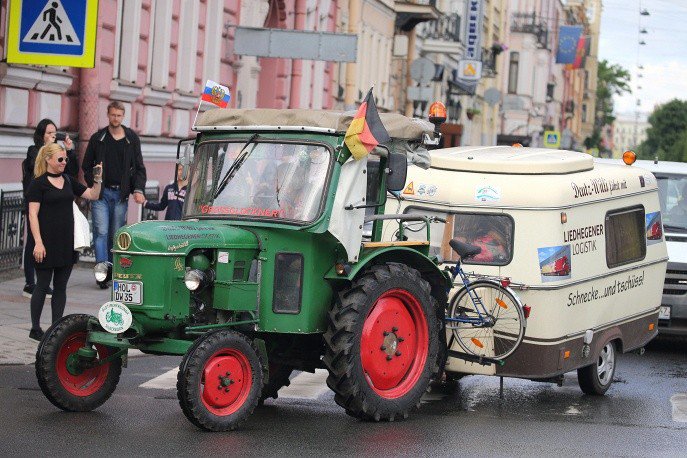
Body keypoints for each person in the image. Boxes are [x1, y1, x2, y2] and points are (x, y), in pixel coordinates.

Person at [26, 143, 103, 341]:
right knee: (42, 285)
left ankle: (55, 330)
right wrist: (38, 242)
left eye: (65, 159)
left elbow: (93, 195)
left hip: (66, 243)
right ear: (48, 160)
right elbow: (32, 214)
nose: (64, 162)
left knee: (61, 287)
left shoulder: (69, 180)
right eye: (60, 159)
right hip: (45, 243)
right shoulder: (38, 184)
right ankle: (35, 329)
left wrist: (98, 178)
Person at [82, 101, 146, 288]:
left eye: (119, 115)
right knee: (101, 233)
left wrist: (138, 189)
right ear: (108, 115)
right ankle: (102, 274)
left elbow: (139, 167)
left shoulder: (131, 139)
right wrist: (93, 185)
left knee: (116, 235)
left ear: (123, 116)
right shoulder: (98, 138)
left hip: (120, 195)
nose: (115, 118)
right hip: (101, 194)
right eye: (113, 115)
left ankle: (112, 270)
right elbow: (86, 166)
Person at [21, 118, 78, 298]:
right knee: (33, 241)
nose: (53, 136)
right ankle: (30, 283)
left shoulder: (58, 155)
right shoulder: (33, 151)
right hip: (37, 203)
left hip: (54, 205)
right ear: (42, 135)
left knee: (49, 242)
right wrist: (47, 151)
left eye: (55, 133)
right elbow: (35, 167)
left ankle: (43, 283)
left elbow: (72, 171)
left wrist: (69, 151)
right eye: (49, 133)